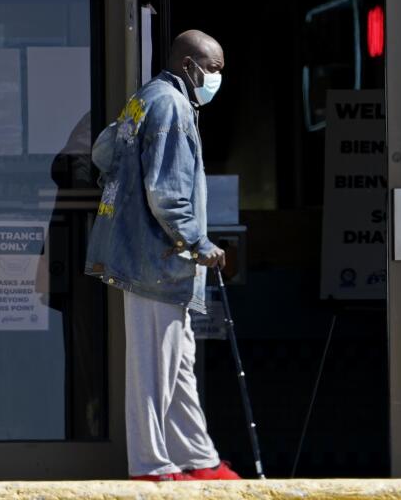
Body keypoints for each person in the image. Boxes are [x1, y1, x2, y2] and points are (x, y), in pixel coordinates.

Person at [86, 29, 240, 481]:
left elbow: (102, 152)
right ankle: (152, 466)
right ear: (190, 65)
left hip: (146, 257)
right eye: (212, 69)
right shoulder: (172, 107)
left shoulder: (145, 99)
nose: (215, 79)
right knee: (154, 367)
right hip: (157, 259)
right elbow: (168, 193)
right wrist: (200, 242)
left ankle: (198, 457)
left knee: (177, 364)